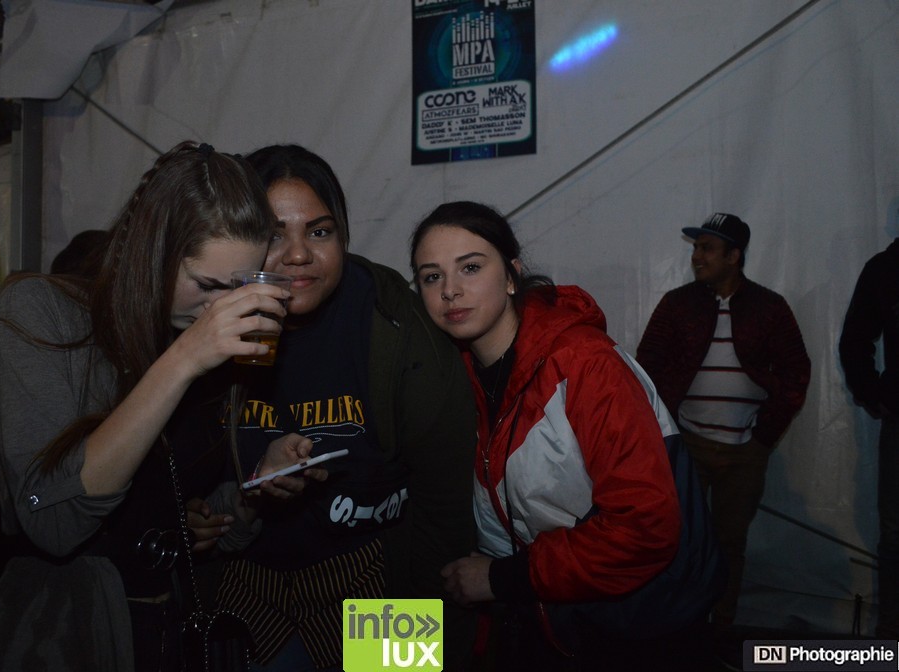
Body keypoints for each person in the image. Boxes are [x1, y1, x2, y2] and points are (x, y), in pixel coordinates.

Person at [0, 141, 321, 672]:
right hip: (72, 637)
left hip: (197, 624)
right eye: (207, 285)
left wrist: (250, 492)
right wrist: (184, 360)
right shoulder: (40, 312)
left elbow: (183, 509)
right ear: (152, 252)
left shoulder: (203, 342)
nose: (220, 307)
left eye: (237, 287)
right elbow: (50, 518)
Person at [409, 201, 724, 671]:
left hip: (635, 624)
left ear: (512, 276)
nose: (450, 290)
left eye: (470, 267)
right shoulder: (451, 373)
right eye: (432, 277)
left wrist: (502, 578)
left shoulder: (585, 364)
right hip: (538, 613)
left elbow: (645, 526)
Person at [201, 145, 477, 672]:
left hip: (375, 580)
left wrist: (432, 636)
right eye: (273, 234)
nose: (298, 255)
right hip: (246, 584)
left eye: (320, 232)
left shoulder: (395, 323)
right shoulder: (207, 323)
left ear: (344, 236)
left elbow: (444, 502)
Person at [636, 212, 810, 627]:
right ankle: (681, 624)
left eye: (707, 248)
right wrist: (667, 431)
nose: (697, 256)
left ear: (734, 256)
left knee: (730, 542)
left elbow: (796, 372)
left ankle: (721, 625)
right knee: (679, 539)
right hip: (688, 445)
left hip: (744, 449)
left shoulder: (769, 307)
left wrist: (763, 435)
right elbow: (647, 365)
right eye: (696, 247)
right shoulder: (678, 304)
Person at [839, 236, 899, 638]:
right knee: (895, 535)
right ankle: (893, 629)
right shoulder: (886, 269)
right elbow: (855, 339)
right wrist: (875, 393)